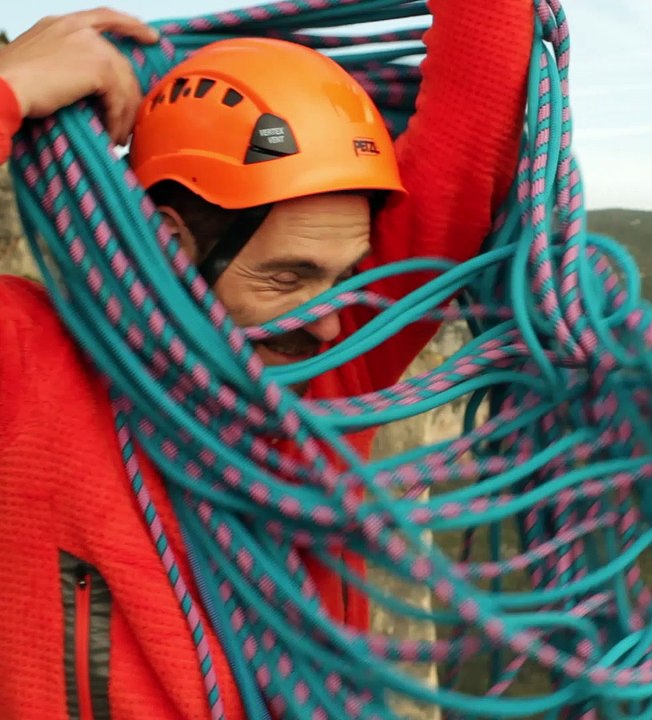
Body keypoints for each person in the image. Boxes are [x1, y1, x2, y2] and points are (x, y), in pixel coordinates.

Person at [0, 1, 533, 717]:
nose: (329, 320)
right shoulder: (26, 362)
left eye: (345, 276)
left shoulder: (340, 367)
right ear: (170, 242)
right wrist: (10, 85)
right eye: (288, 277)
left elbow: (480, 94)